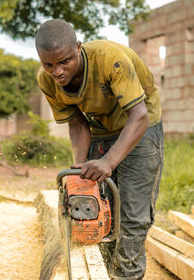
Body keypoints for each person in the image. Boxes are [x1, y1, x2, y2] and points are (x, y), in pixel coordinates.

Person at [35, 19, 163, 280]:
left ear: (78, 48)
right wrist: (80, 169)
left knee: (132, 217)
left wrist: (109, 161)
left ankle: (126, 276)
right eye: (48, 64)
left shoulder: (110, 60)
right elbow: (76, 121)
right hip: (100, 128)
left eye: (64, 62)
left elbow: (138, 116)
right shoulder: (46, 81)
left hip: (139, 124)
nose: (57, 71)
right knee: (98, 208)